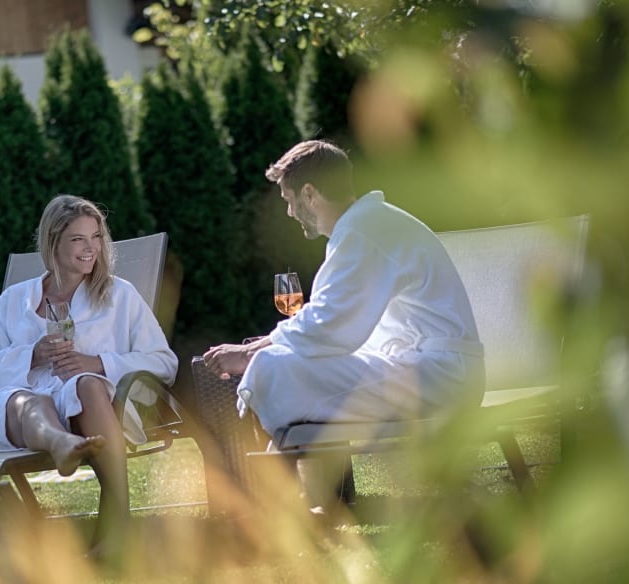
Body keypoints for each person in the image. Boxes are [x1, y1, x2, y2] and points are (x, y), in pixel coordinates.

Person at [202, 140, 484, 508]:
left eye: (289, 200)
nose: (289, 211)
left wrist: (250, 352)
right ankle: (305, 502)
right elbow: (332, 324)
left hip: (441, 377)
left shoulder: (363, 231)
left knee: (272, 366)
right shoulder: (367, 224)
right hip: (421, 368)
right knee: (280, 364)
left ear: (309, 193)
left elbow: (329, 324)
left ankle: (283, 508)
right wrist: (266, 347)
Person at [0, 194, 178, 557]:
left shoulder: (119, 295)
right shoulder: (14, 301)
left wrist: (98, 363)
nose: (91, 249)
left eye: (96, 237)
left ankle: (115, 524)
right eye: (78, 239)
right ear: (53, 242)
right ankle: (61, 443)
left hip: (91, 413)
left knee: (87, 384)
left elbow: (164, 362)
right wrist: (31, 355)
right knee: (24, 399)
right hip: (21, 417)